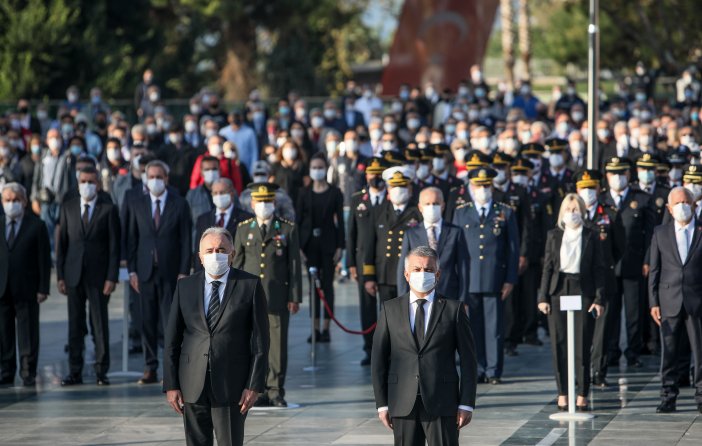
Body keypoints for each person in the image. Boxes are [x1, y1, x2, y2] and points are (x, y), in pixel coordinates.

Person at [164, 227, 270, 446]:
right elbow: (172, 340)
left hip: (232, 384)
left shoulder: (249, 285)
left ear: (232, 254)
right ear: (200, 257)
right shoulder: (185, 286)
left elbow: (260, 342)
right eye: (209, 250)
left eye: (221, 249)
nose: (215, 254)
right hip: (192, 383)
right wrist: (171, 384)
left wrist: (254, 385)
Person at [371, 246, 477, 446]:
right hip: (402, 402)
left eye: (428, 270)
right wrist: (382, 404)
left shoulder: (453, 310)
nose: (423, 274)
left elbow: (469, 361)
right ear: (406, 274)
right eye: (417, 269)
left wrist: (467, 403)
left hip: (443, 402)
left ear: (437, 274)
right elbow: (378, 360)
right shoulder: (389, 309)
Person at [232, 182, 301, 408]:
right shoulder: (243, 229)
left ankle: (275, 390)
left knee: (277, 347)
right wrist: (234, 295)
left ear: (275, 203)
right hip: (250, 298)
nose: (263, 205)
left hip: (277, 296)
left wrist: (294, 296)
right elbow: (238, 265)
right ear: (252, 204)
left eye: (268, 201)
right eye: (259, 201)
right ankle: (257, 388)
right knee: (254, 345)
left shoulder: (287, 229)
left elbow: (294, 266)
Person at [538, 193, 605, 411]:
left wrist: (598, 298)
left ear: (583, 211)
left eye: (575, 209)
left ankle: (583, 392)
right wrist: (543, 297)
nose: (572, 213)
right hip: (559, 290)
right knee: (559, 344)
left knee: (582, 344)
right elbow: (547, 267)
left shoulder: (591, 235)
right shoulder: (554, 235)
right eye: (568, 209)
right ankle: (562, 392)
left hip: (583, 290)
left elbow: (599, 268)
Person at [127, 160, 192, 384]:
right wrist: (132, 271)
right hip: (144, 272)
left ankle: (171, 369)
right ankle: (150, 366)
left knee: (170, 323)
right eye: (151, 176)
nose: (155, 180)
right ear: (146, 179)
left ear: (166, 179)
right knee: (146, 320)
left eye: (159, 176)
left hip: (171, 272)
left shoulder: (180, 204)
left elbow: (186, 240)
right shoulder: (137, 204)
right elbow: (132, 239)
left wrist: (184, 270)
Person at [452, 168, 519, 385]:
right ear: (470, 187)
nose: (482, 189)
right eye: (478, 185)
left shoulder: (505, 212)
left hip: (494, 278)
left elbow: (512, 249)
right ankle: (478, 368)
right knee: (472, 328)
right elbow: (456, 249)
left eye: (486, 185)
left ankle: (493, 370)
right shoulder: (461, 212)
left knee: (494, 328)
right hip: (469, 279)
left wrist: (510, 279)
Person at [56, 166, 120, 386]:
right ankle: (75, 370)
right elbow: (61, 243)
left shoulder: (108, 209)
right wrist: (60, 276)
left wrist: (111, 277)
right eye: (83, 181)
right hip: (73, 275)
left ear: (98, 184)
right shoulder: (68, 207)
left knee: (99, 324)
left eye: (91, 181)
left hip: (98, 276)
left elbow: (114, 246)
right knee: (75, 325)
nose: (87, 185)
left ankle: (101, 370)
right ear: (78, 183)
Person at [648, 187, 702, 414]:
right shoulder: (661, 233)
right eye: (677, 203)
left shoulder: (700, 231)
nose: (682, 206)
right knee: (668, 353)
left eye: (686, 202)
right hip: (669, 299)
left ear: (693, 205)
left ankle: (700, 397)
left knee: (699, 352)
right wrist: (653, 303)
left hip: (697, 300)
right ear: (669, 209)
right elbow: (654, 270)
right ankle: (668, 396)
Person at [601, 156, 654, 368]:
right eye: (613, 173)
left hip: (635, 263)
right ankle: (611, 352)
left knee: (634, 312)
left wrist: (648, 260)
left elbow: (650, 234)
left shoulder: (641, 199)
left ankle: (633, 351)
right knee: (611, 312)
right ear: (606, 176)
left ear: (628, 174)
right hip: (610, 266)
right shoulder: (602, 200)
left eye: (621, 173)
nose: (617, 177)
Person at [0, 183, 51, 386]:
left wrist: (43, 288)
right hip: (2, 287)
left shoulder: (36, 225)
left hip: (27, 287)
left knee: (28, 331)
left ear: (24, 201)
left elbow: (44, 260)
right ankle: (6, 369)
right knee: (4, 332)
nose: (11, 204)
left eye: (15, 200)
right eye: (7, 200)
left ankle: (28, 370)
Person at [296, 153, 345, 342]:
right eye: (314, 167)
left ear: (325, 169)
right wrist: (299, 246)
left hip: (329, 243)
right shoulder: (303, 192)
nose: (317, 170)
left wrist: (341, 246)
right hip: (309, 245)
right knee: (314, 287)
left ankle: (326, 328)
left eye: (320, 167)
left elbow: (340, 221)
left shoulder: (335, 193)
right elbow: (298, 221)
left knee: (328, 287)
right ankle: (314, 328)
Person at [347, 157, 388, 365]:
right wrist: (351, 263)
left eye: (380, 173)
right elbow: (351, 234)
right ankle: (369, 348)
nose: (376, 177)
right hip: (363, 260)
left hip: (386, 261)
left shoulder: (391, 199)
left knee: (388, 306)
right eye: (372, 173)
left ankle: (389, 348)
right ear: (367, 175)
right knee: (367, 307)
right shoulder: (357, 200)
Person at [397, 187, 469, 302]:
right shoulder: (411, 234)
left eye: (435, 203)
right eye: (427, 204)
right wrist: (402, 300)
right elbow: (403, 268)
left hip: (449, 295)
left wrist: (463, 299)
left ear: (443, 205)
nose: (431, 207)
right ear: (420, 207)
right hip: (418, 296)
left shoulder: (456, 232)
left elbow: (463, 268)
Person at [362, 168, 422, 303]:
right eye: (394, 186)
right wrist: (369, 277)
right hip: (385, 274)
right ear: (388, 189)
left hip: (410, 275)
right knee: (388, 317)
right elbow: (370, 244)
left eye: (402, 186)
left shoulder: (417, 213)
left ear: (410, 189)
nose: (398, 190)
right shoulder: (379, 211)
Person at [193, 178, 253, 272]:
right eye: (215, 193)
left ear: (232, 193)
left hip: (236, 273)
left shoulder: (246, 218)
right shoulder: (203, 219)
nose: (219, 196)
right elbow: (199, 249)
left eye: (222, 192)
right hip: (209, 273)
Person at [186, 156, 221, 226]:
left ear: (219, 170)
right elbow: (186, 222)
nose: (211, 172)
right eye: (207, 169)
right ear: (201, 172)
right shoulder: (192, 195)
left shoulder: (229, 192)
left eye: (214, 169)